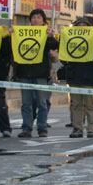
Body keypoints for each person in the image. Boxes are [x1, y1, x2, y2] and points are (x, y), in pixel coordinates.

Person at [15, 9, 59, 138]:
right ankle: (27, 128)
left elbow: (54, 45)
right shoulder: (22, 33)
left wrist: (50, 35)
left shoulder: (46, 34)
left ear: (43, 21)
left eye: (39, 17)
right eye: (33, 17)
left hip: (41, 73)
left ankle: (42, 128)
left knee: (42, 102)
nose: (35, 19)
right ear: (29, 21)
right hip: (24, 73)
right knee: (26, 103)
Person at [64, 17, 93, 138]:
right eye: (79, 25)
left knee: (89, 104)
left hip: (89, 74)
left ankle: (91, 129)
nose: (82, 28)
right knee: (75, 104)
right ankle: (77, 128)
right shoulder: (70, 38)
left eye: (84, 26)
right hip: (74, 74)